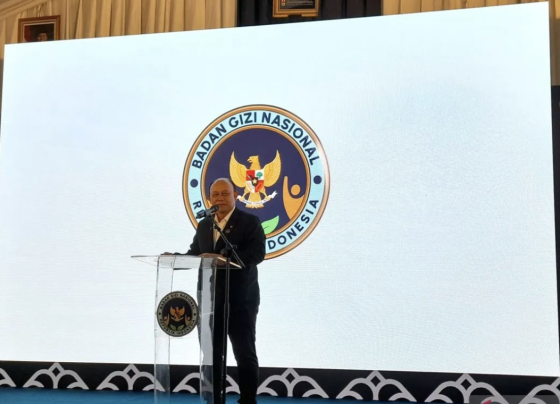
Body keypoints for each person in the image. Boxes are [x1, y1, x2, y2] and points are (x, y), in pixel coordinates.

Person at [186, 177, 266, 404]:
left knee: (244, 353)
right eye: (215, 194)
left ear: (235, 196)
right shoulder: (204, 224)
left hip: (241, 300)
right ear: (209, 199)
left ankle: (247, 400)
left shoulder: (250, 222)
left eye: (225, 193)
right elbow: (195, 253)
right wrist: (176, 258)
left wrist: (226, 260)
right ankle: (215, 399)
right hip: (210, 300)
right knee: (212, 354)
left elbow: (257, 254)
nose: (219, 198)